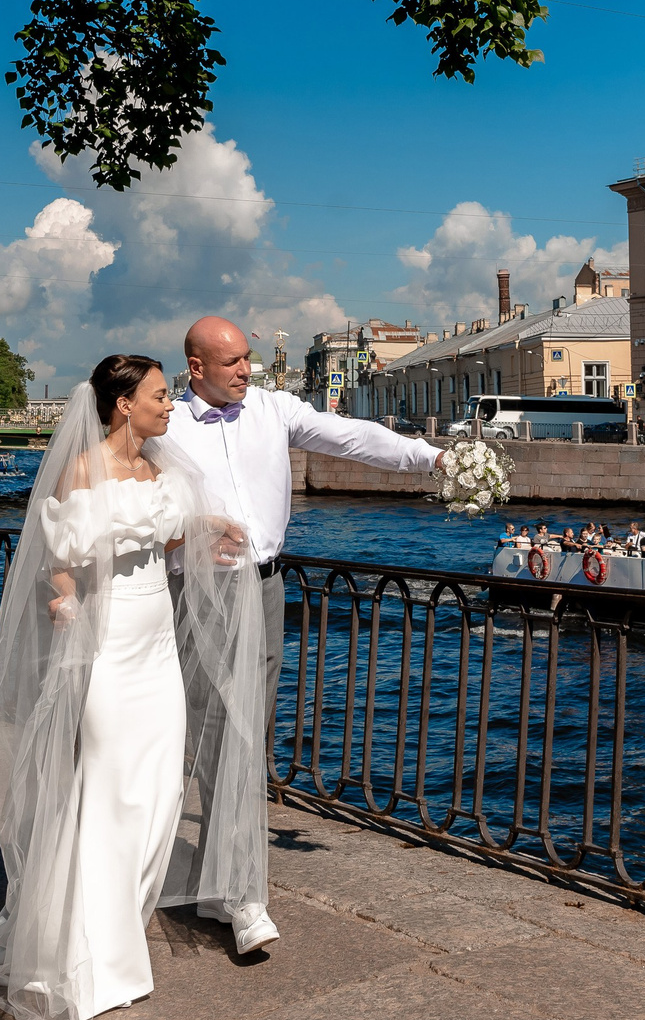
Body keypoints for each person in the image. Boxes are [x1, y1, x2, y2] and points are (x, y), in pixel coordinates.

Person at [0, 355, 264, 1020]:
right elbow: (57, 565)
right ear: (123, 404)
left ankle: (114, 927)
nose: (169, 404)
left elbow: (167, 532)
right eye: (158, 395)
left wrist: (213, 527)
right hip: (110, 646)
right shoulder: (83, 471)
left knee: (160, 796)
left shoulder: (160, 469)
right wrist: (65, 604)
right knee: (112, 794)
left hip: (158, 653)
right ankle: (95, 958)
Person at [156, 315, 446, 955]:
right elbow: (126, 501)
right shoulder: (166, 426)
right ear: (196, 368)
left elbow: (354, 437)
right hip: (196, 593)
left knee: (247, 733)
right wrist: (192, 528)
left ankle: (219, 882)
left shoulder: (274, 409)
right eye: (230, 362)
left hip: (264, 588)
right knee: (215, 732)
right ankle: (242, 895)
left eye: (247, 359)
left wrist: (434, 457)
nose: (245, 370)